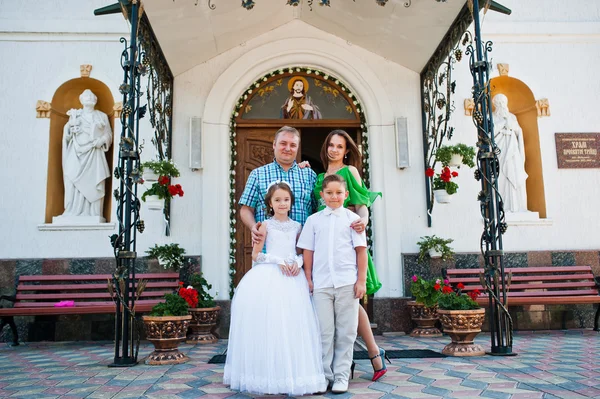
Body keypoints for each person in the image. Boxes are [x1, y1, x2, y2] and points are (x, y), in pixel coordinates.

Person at [224, 182, 327, 395]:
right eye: (277, 200)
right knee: (271, 326)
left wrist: (297, 263)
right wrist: (278, 260)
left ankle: (292, 375)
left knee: (293, 325)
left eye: (286, 200)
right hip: (269, 275)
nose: (282, 203)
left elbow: (302, 252)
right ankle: (268, 375)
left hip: (293, 279)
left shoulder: (298, 226)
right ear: (270, 203)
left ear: (291, 202)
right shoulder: (264, 226)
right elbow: (256, 255)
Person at [315, 129, 389, 382]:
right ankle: (352, 362)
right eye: (331, 145)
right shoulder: (319, 177)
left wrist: (363, 223)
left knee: (351, 303)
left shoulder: (350, 172)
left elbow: (361, 204)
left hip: (347, 241)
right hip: (325, 247)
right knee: (342, 307)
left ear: (347, 151)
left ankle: (372, 354)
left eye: (340, 146)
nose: (334, 149)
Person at [298, 174, 367, 394]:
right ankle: (324, 375)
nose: (334, 197)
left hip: (347, 282)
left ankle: (341, 375)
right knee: (323, 331)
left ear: (346, 195)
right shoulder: (314, 220)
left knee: (346, 331)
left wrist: (361, 281)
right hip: (322, 284)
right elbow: (308, 250)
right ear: (322, 195)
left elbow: (361, 251)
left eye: (338, 193)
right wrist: (308, 278)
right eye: (329, 193)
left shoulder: (352, 220)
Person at [56, 89, 112, 221]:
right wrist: (69, 126)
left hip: (94, 153)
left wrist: (102, 140)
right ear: (81, 100)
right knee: (73, 180)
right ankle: (72, 210)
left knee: (94, 180)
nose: (90, 98)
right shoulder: (75, 115)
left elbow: (108, 134)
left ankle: (93, 213)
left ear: (95, 100)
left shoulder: (102, 116)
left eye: (92, 96)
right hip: (76, 153)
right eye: (86, 96)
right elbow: (67, 135)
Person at [492, 94, 529, 212]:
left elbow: (518, 131)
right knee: (501, 176)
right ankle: (502, 207)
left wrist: (510, 124)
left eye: (503, 101)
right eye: (498, 102)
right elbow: (490, 133)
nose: (501, 104)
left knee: (515, 173)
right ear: (495, 104)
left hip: (513, 150)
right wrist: (501, 124)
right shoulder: (492, 116)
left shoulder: (512, 117)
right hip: (500, 150)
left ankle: (518, 207)